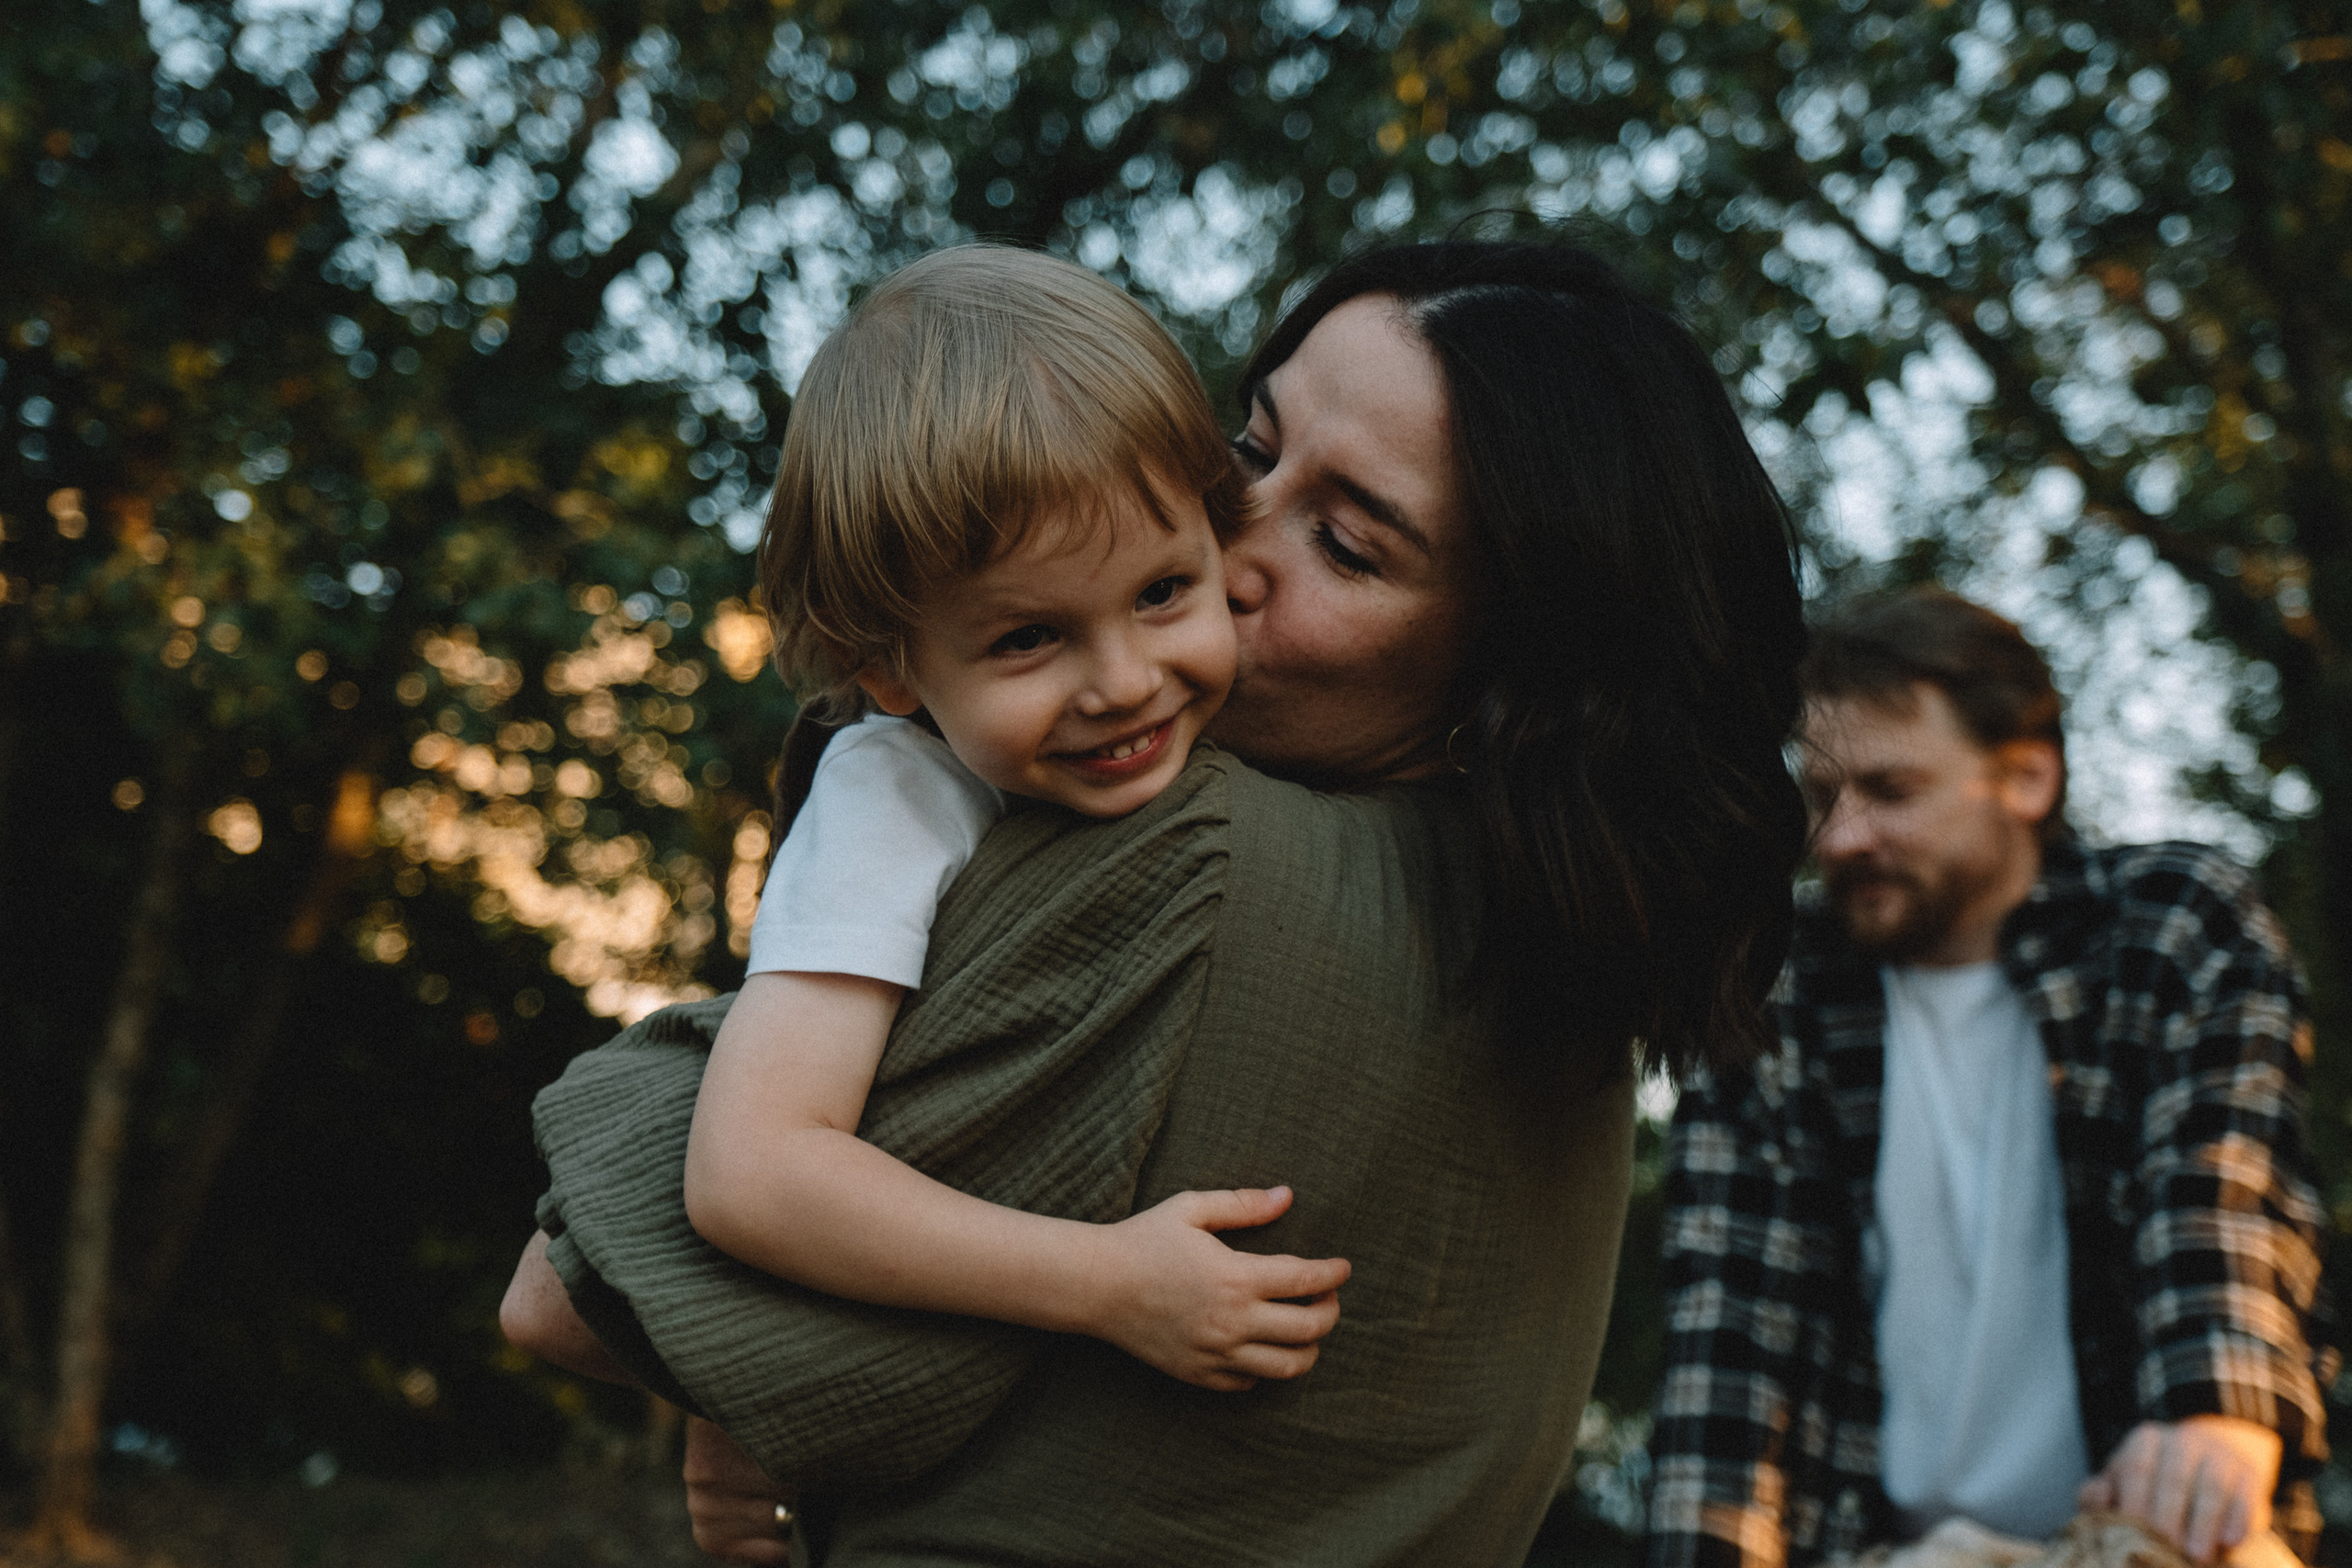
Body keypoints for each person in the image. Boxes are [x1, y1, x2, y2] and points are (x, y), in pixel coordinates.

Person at [504, 238, 1813, 1567]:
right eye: (1249, 451)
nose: (1230, 542)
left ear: (1520, 660)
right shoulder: (1579, 971)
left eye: (1348, 544)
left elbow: (570, 1289)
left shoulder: (1190, 861)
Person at [679, 245, 1352, 1396]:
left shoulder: (1191, 740)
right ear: (888, 668)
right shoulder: (894, 799)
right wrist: (1107, 1284)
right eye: (1027, 638)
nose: (1126, 681)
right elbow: (752, 1169)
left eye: (1160, 592)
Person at [1646, 590, 2330, 1568]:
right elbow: (1732, 1336)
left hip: (2135, 1528)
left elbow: (2217, 1192)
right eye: (1821, 797)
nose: (1839, 839)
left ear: (2026, 777)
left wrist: (2212, 1415)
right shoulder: (1772, 983)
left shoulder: (2176, 926)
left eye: (1889, 792)